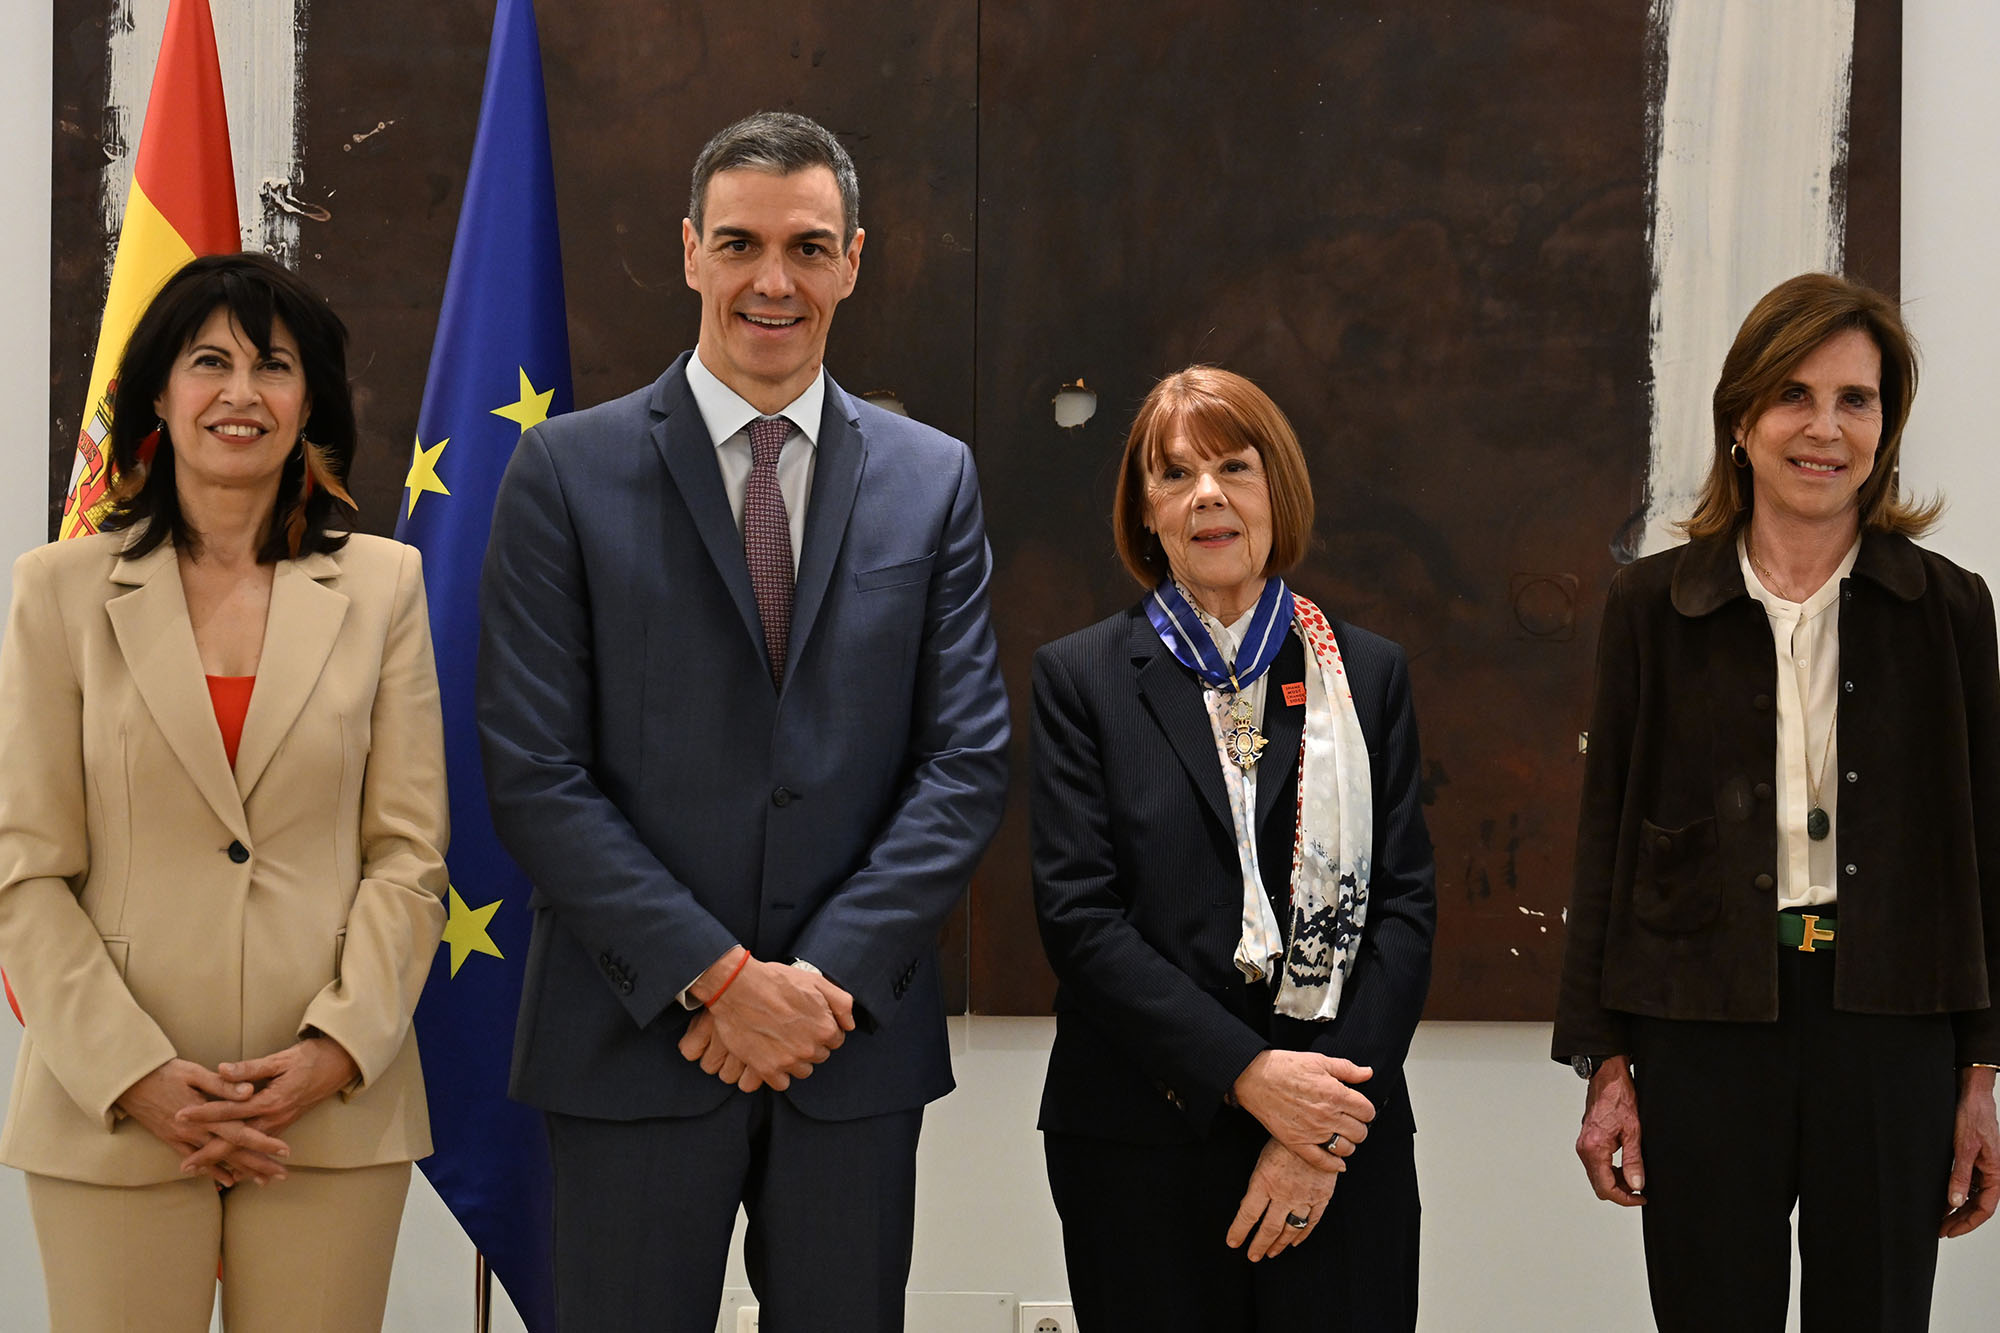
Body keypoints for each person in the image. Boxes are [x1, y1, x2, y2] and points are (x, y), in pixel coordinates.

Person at [478, 110, 1010, 1333]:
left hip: (845, 1045)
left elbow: (965, 760)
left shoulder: (933, 478)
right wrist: (714, 979)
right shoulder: (562, 472)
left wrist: (815, 983)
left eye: (808, 247)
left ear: (852, 262)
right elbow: (534, 771)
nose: (774, 281)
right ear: (689, 252)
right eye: (740, 244)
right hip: (630, 1040)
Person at [0, 252, 449, 1332]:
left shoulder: (385, 585)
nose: (240, 393)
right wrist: (135, 1073)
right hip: (112, 1108)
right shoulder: (57, 590)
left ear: (310, 401)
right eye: (209, 362)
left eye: (273, 366)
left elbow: (408, 854)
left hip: (328, 1112)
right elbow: (25, 869)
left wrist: (334, 1052)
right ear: (158, 393)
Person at [1554, 271, 2000, 1330]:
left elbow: (1983, 852)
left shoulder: (1947, 609)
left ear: (1884, 426)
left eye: (1855, 400)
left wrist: (1979, 1071)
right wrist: (1603, 1060)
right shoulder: (1651, 608)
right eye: (1793, 394)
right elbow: (1605, 838)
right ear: (1740, 418)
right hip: (1701, 1029)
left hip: (1890, 1032)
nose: (1823, 428)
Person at [1030, 366, 1435, 1331]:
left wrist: (1313, 1128)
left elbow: (1404, 909)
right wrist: (1251, 1076)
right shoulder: (1080, 677)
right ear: (1147, 511)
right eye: (1175, 474)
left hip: (1338, 1136)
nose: (1206, 495)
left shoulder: (1365, 672)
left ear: (1275, 488)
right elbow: (1079, 918)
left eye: (1233, 468)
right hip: (1140, 1140)